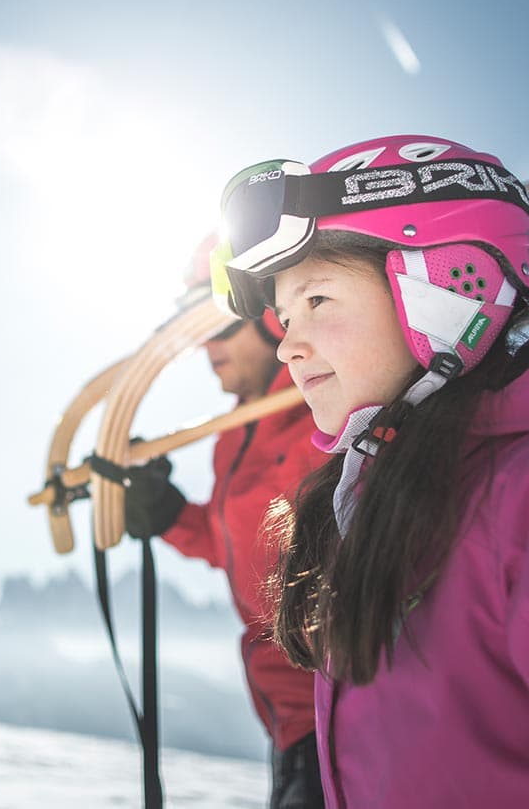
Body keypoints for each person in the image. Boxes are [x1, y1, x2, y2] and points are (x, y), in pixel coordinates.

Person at [211, 135, 529, 809]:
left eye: (316, 302)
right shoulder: (369, 502)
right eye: (283, 315)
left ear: (447, 285)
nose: (285, 345)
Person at [122, 232, 327, 808]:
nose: (206, 349)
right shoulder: (234, 432)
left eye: (219, 327)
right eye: (196, 336)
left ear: (272, 319)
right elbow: (234, 539)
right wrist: (166, 515)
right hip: (288, 717)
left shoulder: (329, 399)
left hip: (350, 699)